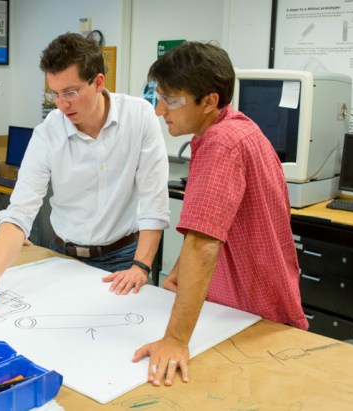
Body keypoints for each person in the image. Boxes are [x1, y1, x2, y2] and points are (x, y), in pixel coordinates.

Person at [132, 41, 308, 387]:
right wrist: (181, 271)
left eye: (171, 100)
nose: (160, 110)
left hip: (249, 317)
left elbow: (202, 244)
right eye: (159, 97)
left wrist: (176, 339)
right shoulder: (241, 128)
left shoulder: (220, 144)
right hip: (249, 306)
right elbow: (216, 222)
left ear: (209, 101)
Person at [0, 32, 170, 311]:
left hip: (124, 258)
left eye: (71, 93)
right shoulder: (47, 133)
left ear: (98, 82)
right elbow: (19, 214)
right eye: (55, 94)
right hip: (64, 255)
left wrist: (141, 265)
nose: (62, 105)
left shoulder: (139, 117)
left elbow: (153, 203)